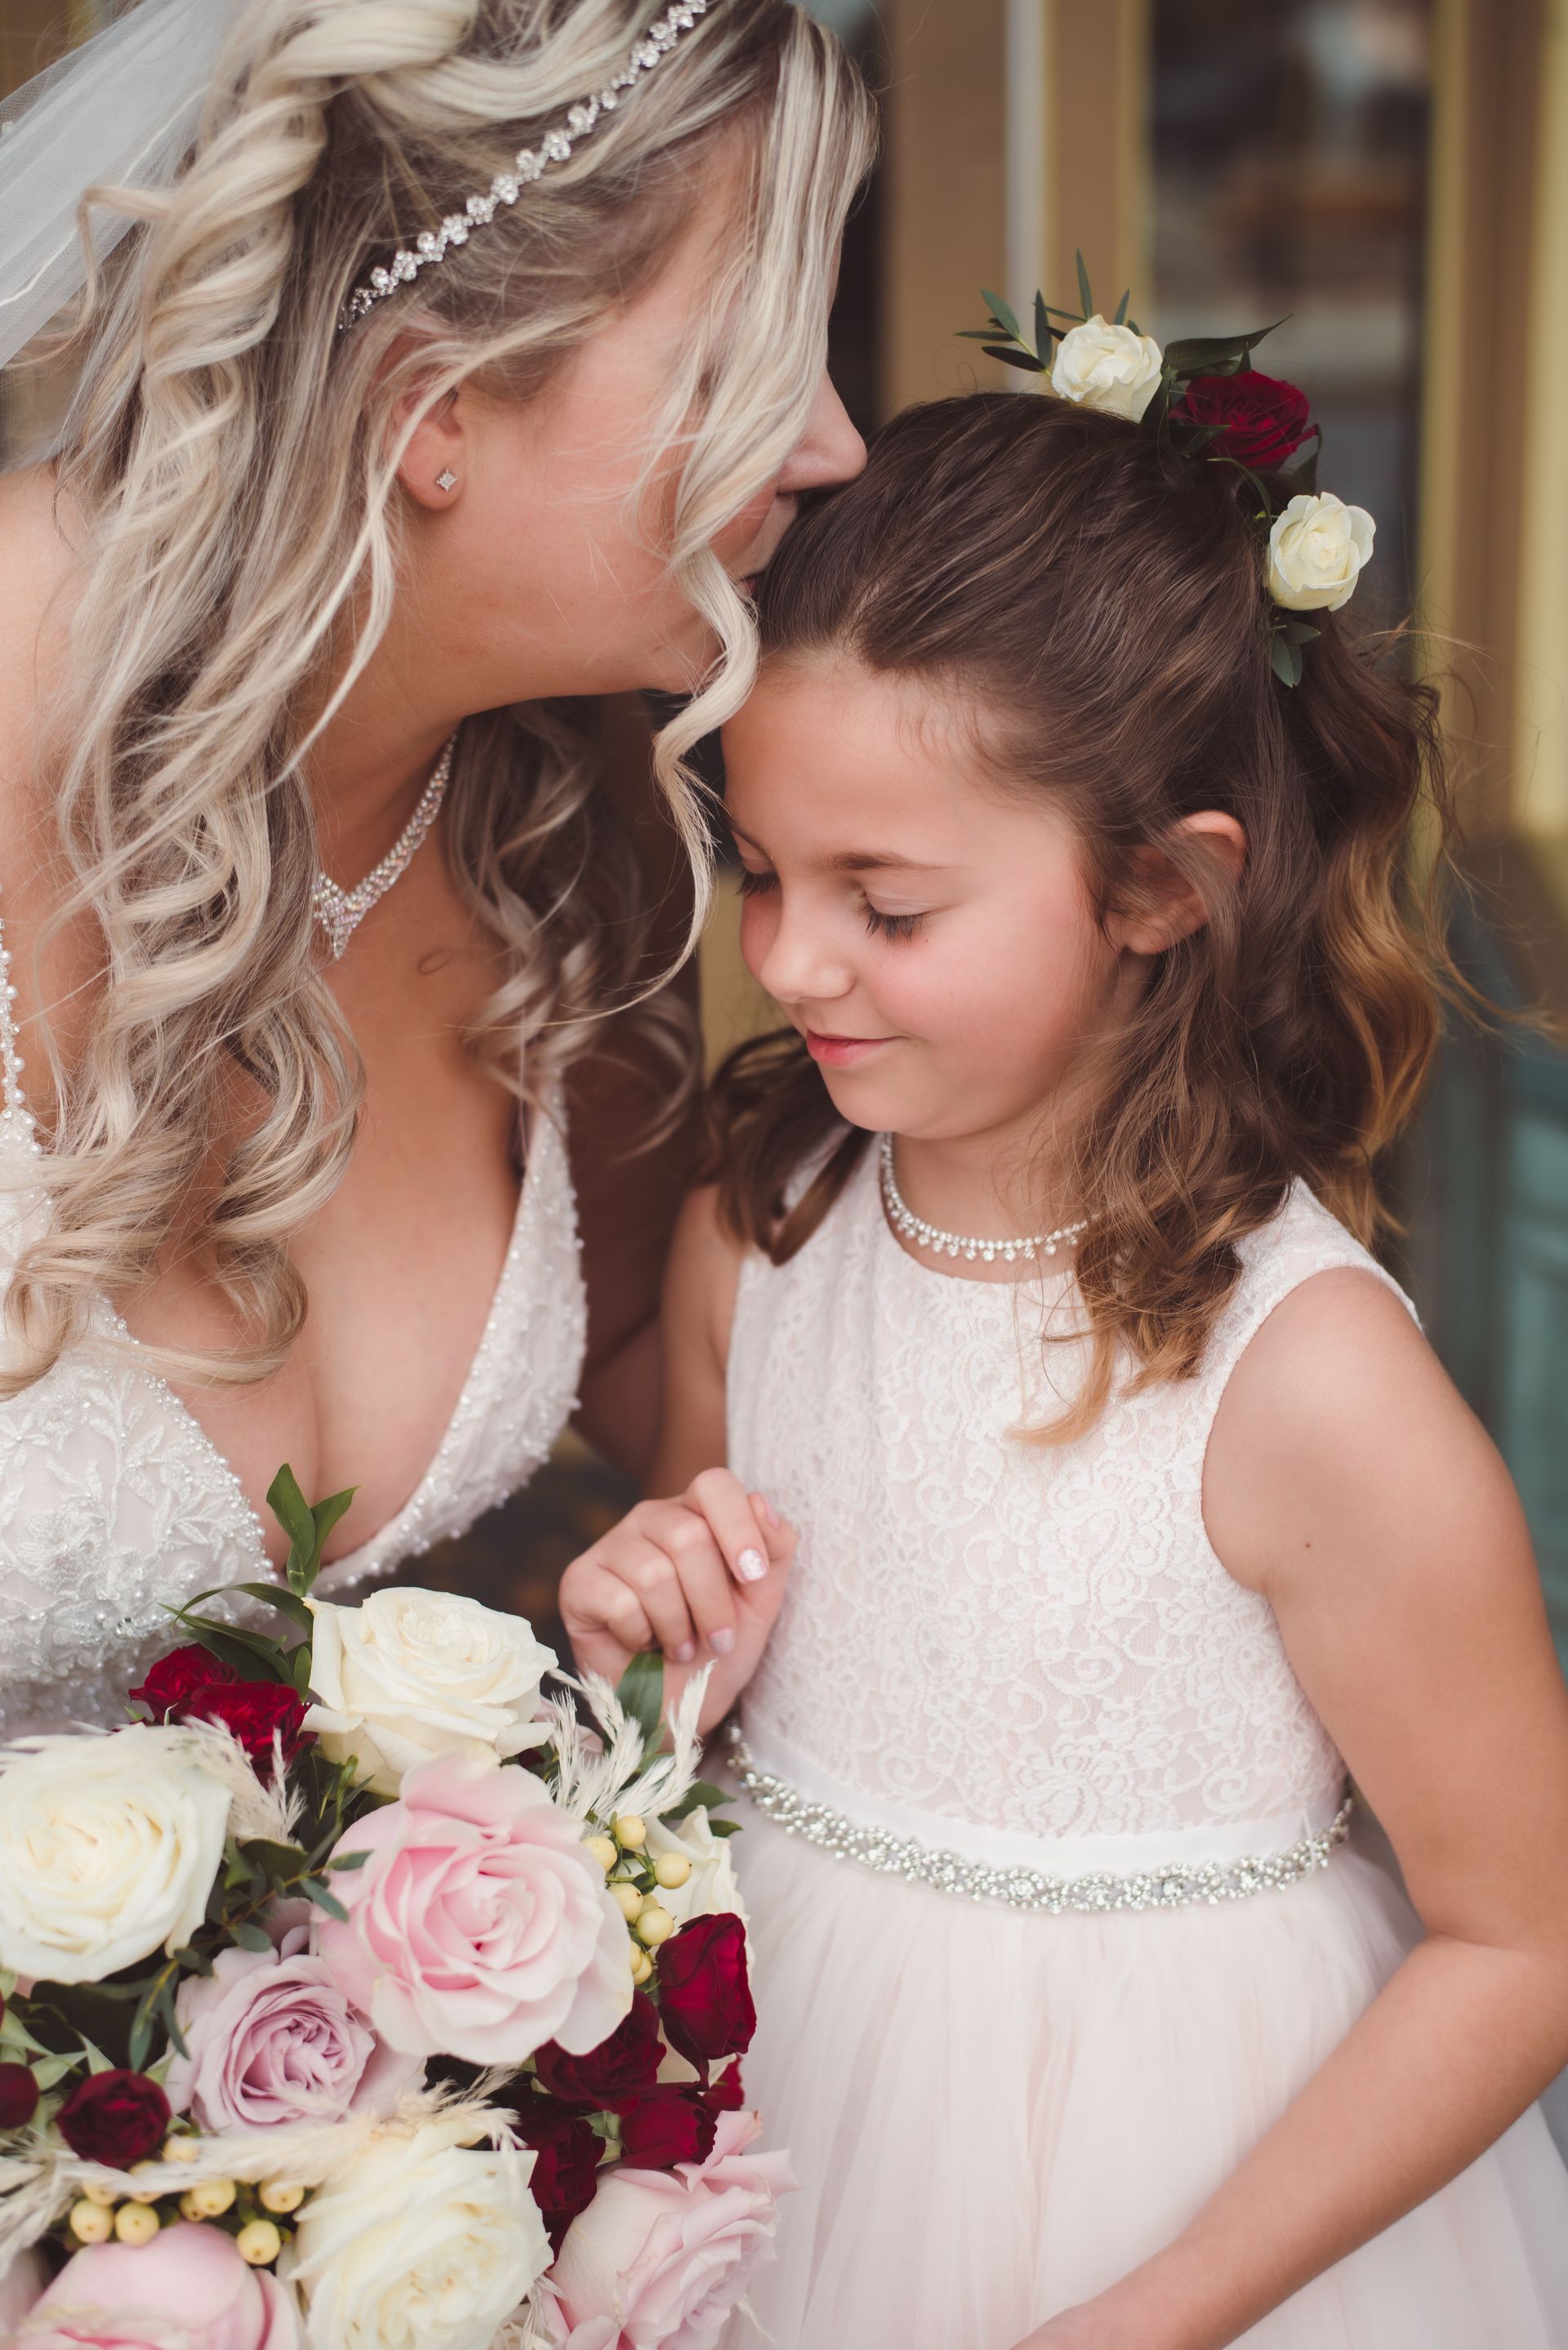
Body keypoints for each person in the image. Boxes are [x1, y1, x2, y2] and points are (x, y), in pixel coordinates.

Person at [559, 387, 1568, 2347]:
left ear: (1160, 889)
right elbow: (705, 1729)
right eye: (761, 868)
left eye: (891, 903)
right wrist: (640, 1641)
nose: (792, 961)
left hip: (1186, 2211)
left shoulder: (1314, 1387)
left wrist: (1151, 2316)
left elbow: (1523, 1936)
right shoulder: (757, 1236)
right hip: (781, 2125)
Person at [0, 0, 873, 1737]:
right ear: (434, 404)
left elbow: (657, 1375)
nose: (834, 444)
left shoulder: (577, 837)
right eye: (745, 366)